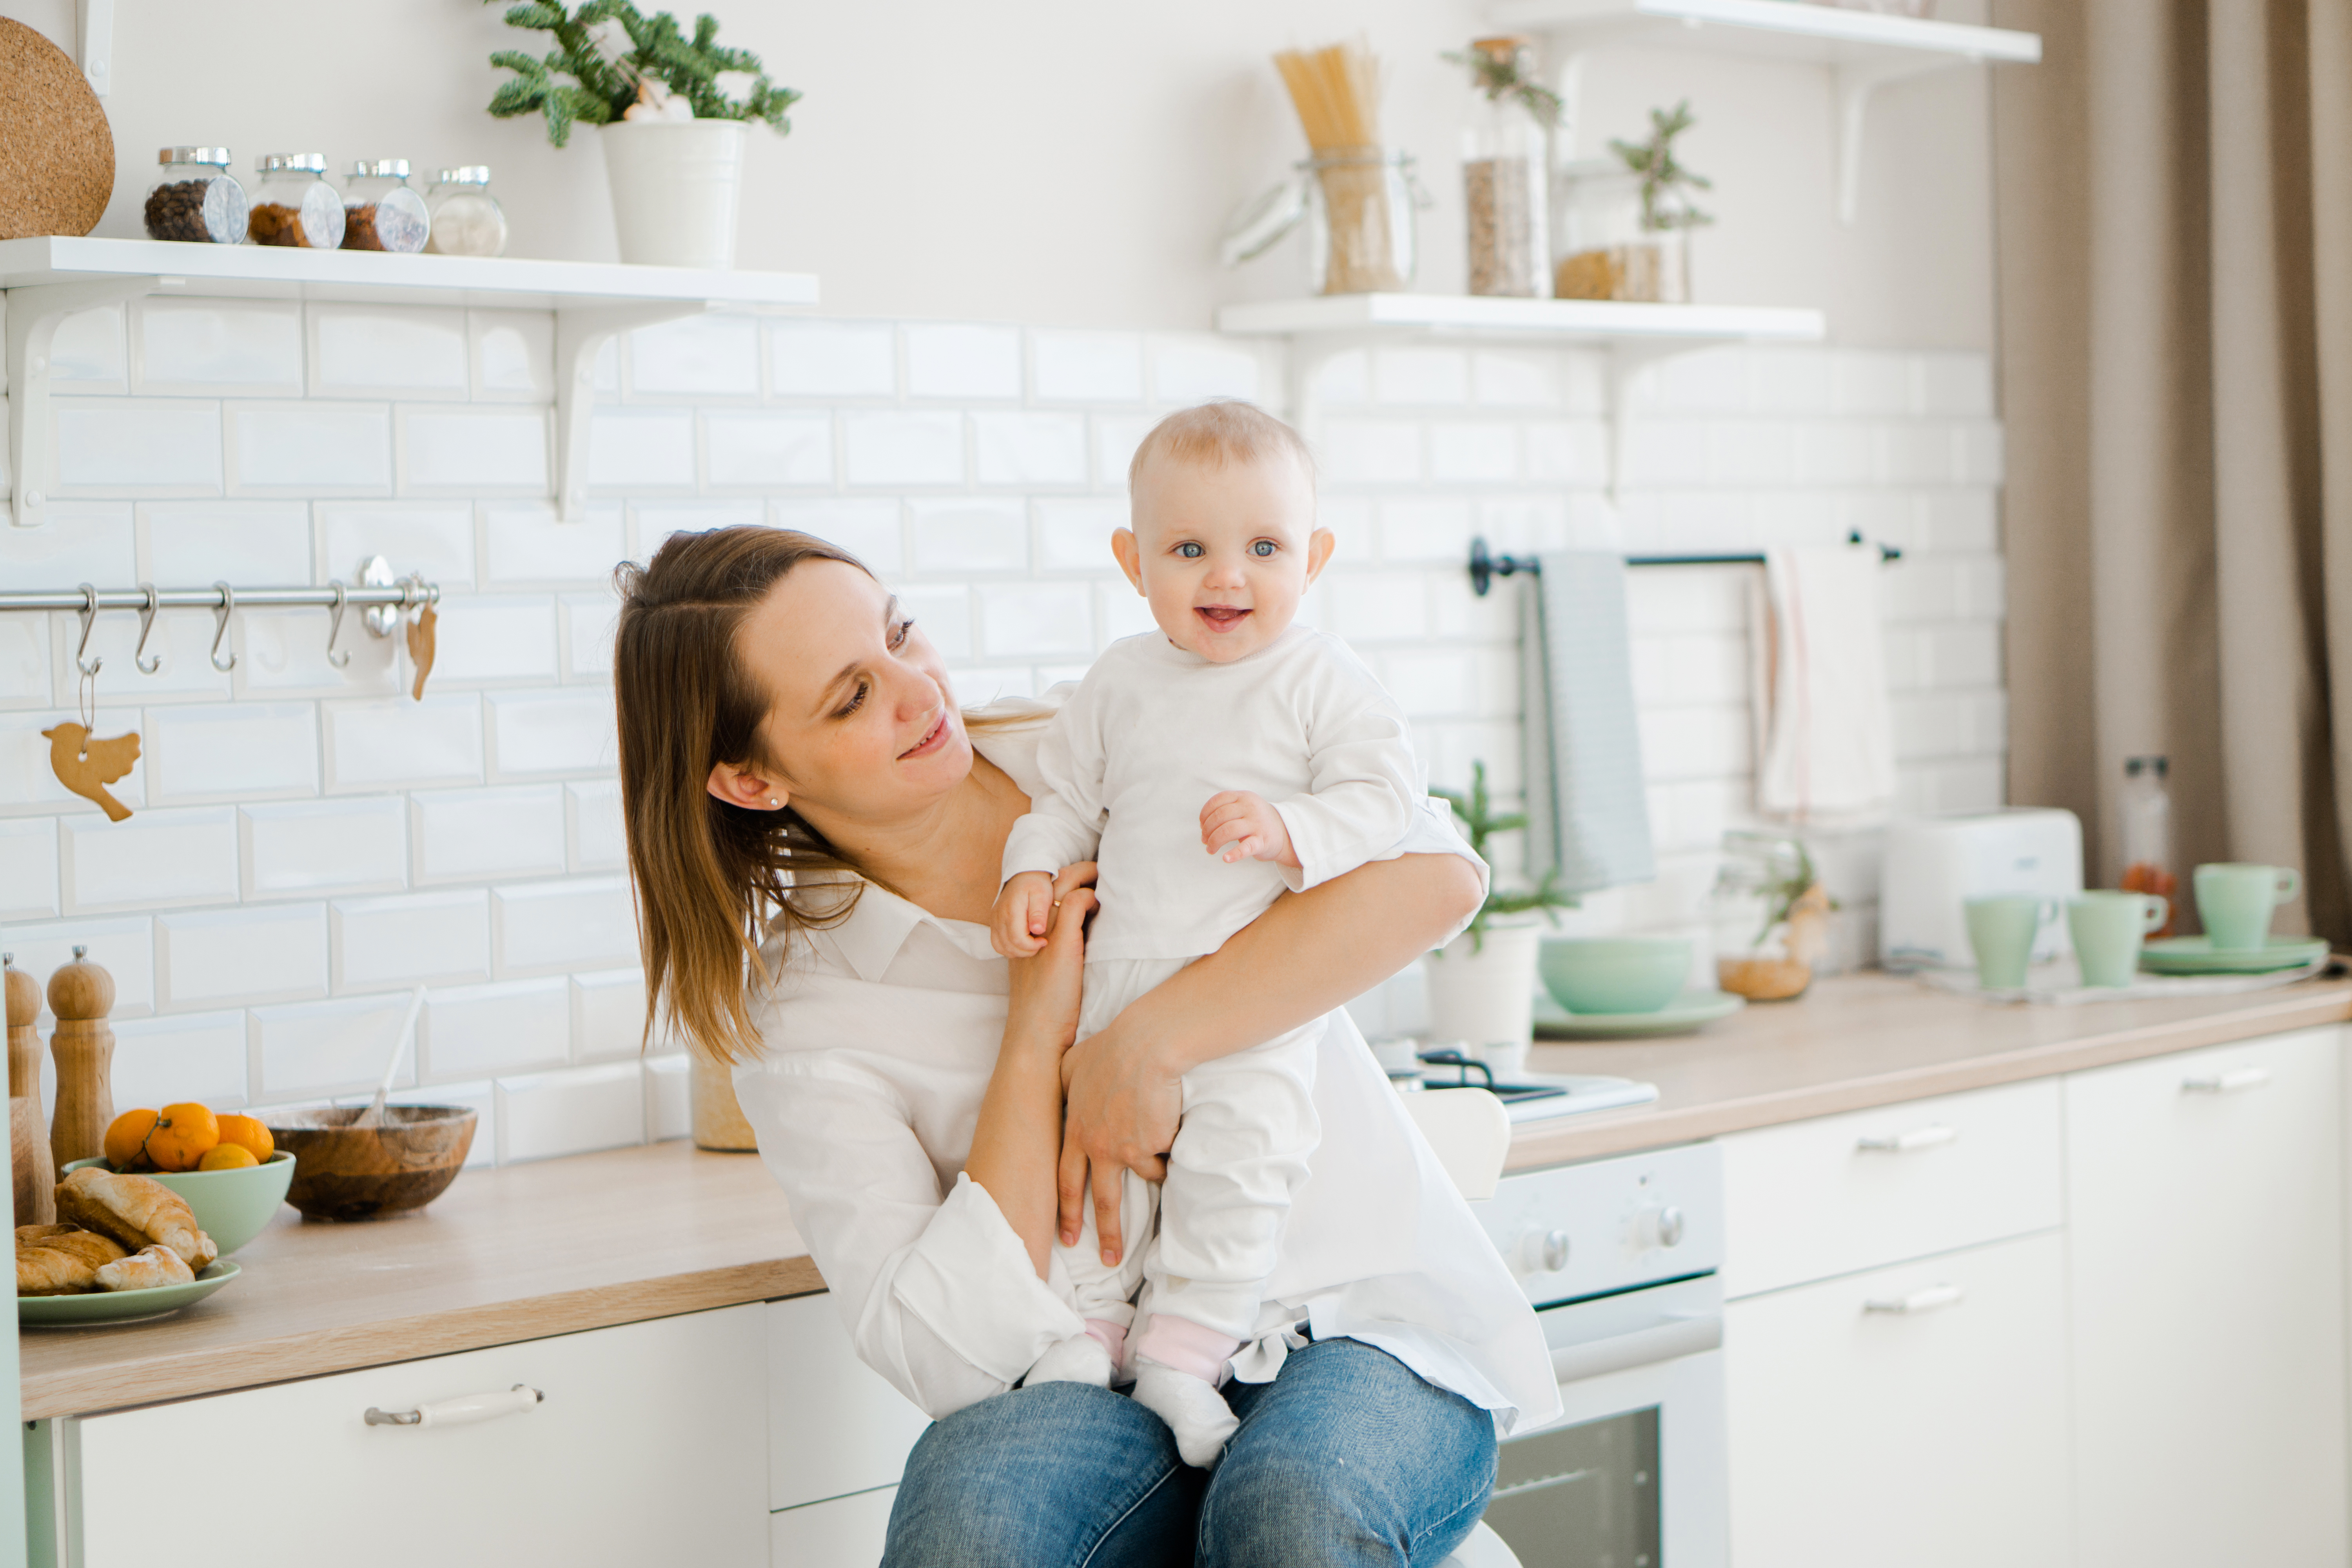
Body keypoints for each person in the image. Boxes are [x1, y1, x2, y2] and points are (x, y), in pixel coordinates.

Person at [612, 522, 1558, 1568]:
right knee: (969, 1532)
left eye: (901, 635)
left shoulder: (1118, 731)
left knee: (1286, 1514)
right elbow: (944, 1354)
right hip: (1093, 1380)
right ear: (752, 780)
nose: (920, 692)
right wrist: (1037, 1029)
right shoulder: (803, 1016)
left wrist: (1145, 1044)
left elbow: (1436, 871)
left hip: (1346, 1323)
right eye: (851, 697)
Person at [991, 402, 1430, 1468]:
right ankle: (1088, 1331)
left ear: (1314, 558)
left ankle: (1186, 1354)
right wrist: (1029, 871)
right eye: (1189, 550)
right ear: (1133, 560)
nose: (1227, 577)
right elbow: (1063, 802)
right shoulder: (1120, 682)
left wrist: (1293, 829)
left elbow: (1390, 797)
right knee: (1098, 1172)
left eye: (1264, 549)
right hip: (1122, 979)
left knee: (1237, 1170)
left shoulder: (1322, 680)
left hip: (1251, 995)